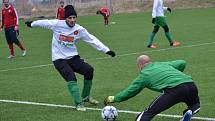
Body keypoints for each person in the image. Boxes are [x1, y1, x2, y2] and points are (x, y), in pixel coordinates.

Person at [25, 5, 116, 111]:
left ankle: (85, 97)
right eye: (70, 18)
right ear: (65, 18)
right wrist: (32, 24)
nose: (72, 20)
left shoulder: (79, 29)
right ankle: (78, 104)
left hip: (73, 57)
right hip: (58, 59)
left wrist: (106, 50)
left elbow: (92, 40)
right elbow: (43, 22)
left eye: (74, 17)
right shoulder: (57, 24)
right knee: (71, 77)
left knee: (89, 70)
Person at [104, 55, 200, 121]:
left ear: (140, 66)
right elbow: (182, 62)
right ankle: (189, 111)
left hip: (175, 90)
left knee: (148, 113)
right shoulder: (162, 64)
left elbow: (130, 91)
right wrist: (176, 74)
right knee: (195, 104)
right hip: (191, 85)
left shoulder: (144, 74)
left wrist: (113, 98)